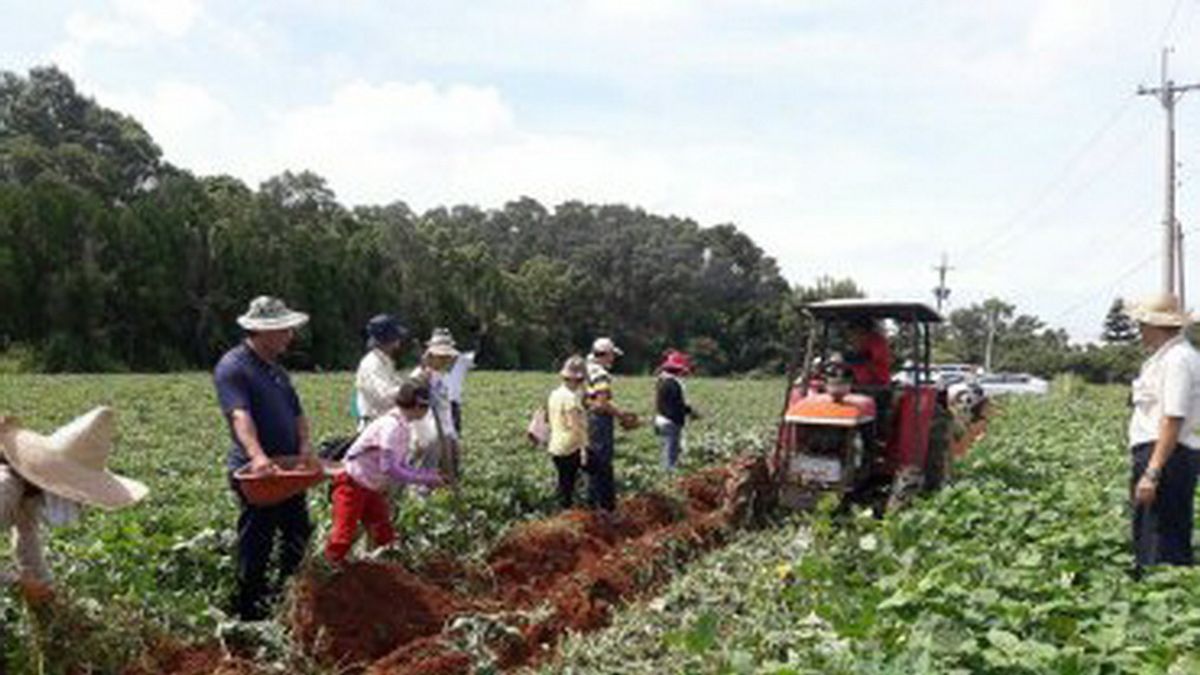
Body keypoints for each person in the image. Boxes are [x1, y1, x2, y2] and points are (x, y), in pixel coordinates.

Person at [214, 295, 317, 620]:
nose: (290, 336)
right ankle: (249, 607)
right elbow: (239, 416)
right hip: (259, 472)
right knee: (257, 539)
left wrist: (304, 448)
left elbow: (297, 414)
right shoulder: (234, 367)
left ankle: (289, 597)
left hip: (287, 469)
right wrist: (258, 457)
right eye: (283, 330)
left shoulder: (277, 371)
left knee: (298, 534)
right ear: (261, 331)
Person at [0, 407, 147, 602]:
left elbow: (27, 541)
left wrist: (45, 585)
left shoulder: (29, 492)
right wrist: (17, 584)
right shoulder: (5, 488)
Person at [326, 380, 445, 564]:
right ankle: (327, 577)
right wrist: (424, 478)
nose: (427, 412)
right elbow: (389, 468)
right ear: (418, 406)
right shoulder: (390, 426)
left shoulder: (403, 425)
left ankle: (384, 578)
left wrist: (428, 477)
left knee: (384, 534)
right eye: (426, 407)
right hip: (351, 483)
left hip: (370, 487)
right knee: (342, 536)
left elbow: (401, 465)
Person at [1127, 293, 1200, 569]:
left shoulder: (1177, 360)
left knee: (1159, 538)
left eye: (1141, 325)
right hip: (1167, 454)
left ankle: (1164, 596)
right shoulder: (1169, 357)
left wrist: (1152, 472)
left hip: (1166, 455)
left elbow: (1173, 418)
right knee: (1158, 532)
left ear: (1154, 326)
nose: (1139, 331)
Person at [584, 337, 635, 511]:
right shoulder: (601, 375)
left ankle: (592, 504)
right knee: (603, 464)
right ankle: (606, 508)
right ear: (605, 355)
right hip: (599, 422)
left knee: (592, 463)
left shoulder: (586, 369)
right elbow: (601, 404)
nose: (613, 359)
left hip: (587, 419)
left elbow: (589, 400)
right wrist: (621, 415)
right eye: (612, 355)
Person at [409, 328, 461, 483]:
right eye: (441, 356)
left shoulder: (442, 377)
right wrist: (416, 437)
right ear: (431, 356)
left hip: (444, 435)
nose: (446, 360)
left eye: (447, 356)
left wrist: (453, 437)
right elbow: (412, 412)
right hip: (427, 437)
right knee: (423, 478)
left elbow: (445, 411)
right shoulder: (419, 377)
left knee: (446, 478)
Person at [547, 355, 588, 509]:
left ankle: (562, 512)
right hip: (569, 446)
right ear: (577, 380)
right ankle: (567, 514)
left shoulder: (554, 394)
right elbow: (575, 426)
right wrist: (583, 449)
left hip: (555, 444)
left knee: (564, 483)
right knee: (569, 486)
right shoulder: (571, 398)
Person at [354, 314, 410, 428]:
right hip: (376, 426)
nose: (399, 341)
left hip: (386, 423)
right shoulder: (372, 364)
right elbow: (384, 396)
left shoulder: (385, 361)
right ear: (389, 339)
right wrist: (410, 387)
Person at [655, 350, 700, 471]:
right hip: (671, 422)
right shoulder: (673, 383)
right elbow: (678, 404)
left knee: (665, 450)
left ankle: (665, 472)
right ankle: (668, 476)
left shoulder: (662, 380)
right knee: (670, 454)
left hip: (661, 420)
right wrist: (691, 412)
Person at [844, 317, 891, 387]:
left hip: (877, 383)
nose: (852, 337)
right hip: (861, 383)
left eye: (854, 331)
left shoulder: (877, 341)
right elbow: (850, 368)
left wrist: (847, 358)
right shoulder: (858, 344)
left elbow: (866, 357)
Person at [443, 348, 476, 435]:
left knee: (455, 432)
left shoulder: (463, 360)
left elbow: (477, 355)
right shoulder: (436, 362)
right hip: (440, 402)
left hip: (454, 401)